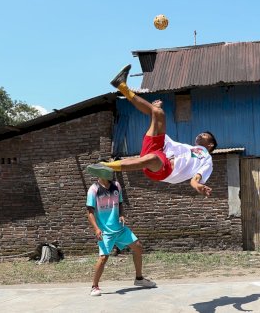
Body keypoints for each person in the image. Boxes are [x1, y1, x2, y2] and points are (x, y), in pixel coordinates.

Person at [86, 64, 217, 197]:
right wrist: (154, 111)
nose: (201, 134)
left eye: (205, 135)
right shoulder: (188, 147)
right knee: (158, 112)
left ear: (210, 145)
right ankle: (121, 86)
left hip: (164, 168)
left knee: (153, 158)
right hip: (160, 148)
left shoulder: (207, 159)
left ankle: (106, 166)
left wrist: (198, 186)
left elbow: (195, 180)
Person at [85, 169, 156, 296]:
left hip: (120, 229)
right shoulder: (93, 189)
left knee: (138, 247)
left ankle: (139, 279)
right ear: (100, 173)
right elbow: (90, 212)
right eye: (107, 170)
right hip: (105, 232)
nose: (111, 172)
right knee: (103, 258)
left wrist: (122, 214)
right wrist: (96, 228)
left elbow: (120, 203)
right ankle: (94, 286)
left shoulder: (116, 185)